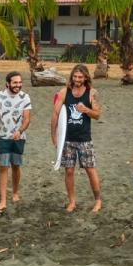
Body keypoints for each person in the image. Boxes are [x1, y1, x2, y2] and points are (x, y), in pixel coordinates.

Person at [51, 64, 102, 212]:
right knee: (68, 171)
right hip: (67, 139)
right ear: (72, 77)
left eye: (80, 77)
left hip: (84, 139)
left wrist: (86, 110)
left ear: (86, 77)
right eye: (75, 76)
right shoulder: (64, 92)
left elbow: (98, 115)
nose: (77, 79)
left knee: (90, 169)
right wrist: (54, 136)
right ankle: (72, 201)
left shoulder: (91, 93)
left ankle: (98, 200)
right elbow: (55, 114)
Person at [0, 71, 31, 211]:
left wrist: (20, 131)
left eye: (19, 82)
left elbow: (27, 119)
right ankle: (3, 200)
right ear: (8, 83)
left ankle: (15, 192)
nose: (18, 85)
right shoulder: (0, 96)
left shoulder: (25, 97)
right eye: (15, 82)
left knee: (16, 165)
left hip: (19, 138)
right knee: (3, 167)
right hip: (2, 137)